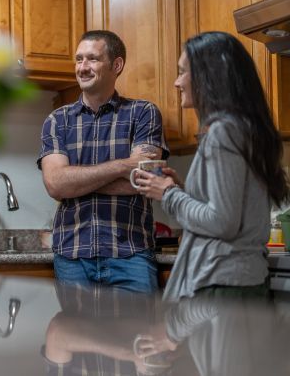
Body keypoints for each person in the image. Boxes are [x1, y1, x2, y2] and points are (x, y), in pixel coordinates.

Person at [134, 31, 289, 302]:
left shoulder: (223, 133)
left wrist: (168, 193)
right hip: (239, 281)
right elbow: (230, 211)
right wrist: (182, 189)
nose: (176, 82)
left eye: (183, 72)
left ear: (209, 77)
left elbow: (221, 222)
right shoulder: (245, 129)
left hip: (224, 284)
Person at [38, 30, 169, 293]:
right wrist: (124, 166)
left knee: (137, 333)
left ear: (116, 65)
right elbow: (55, 185)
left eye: (92, 59)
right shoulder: (57, 120)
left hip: (131, 253)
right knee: (78, 335)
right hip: (72, 255)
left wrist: (76, 182)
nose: (82, 67)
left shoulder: (143, 113)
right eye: (78, 59)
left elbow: (147, 182)